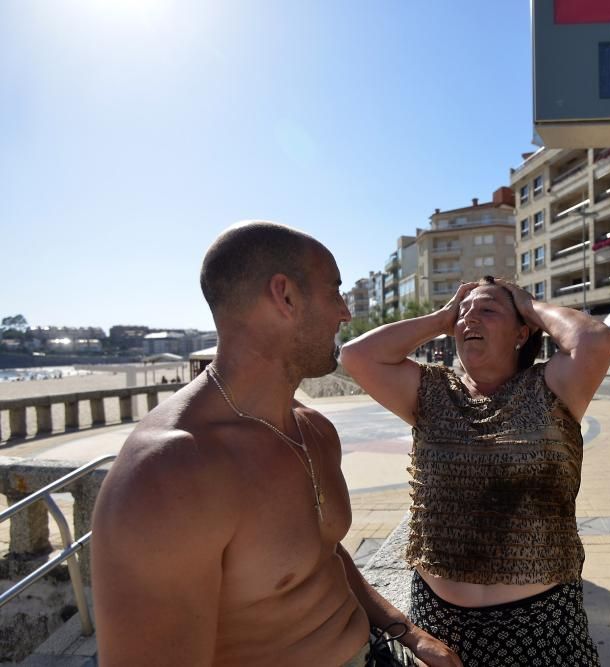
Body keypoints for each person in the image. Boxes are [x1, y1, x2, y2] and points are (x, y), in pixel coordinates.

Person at [91, 221, 461, 667]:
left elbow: (322, 555)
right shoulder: (169, 474)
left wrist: (409, 632)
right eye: (334, 292)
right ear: (284, 297)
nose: (345, 312)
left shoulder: (313, 430)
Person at [340, 276, 610, 666]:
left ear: (522, 331)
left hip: (541, 627)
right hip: (439, 628)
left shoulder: (551, 386)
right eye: (463, 312)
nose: (469, 318)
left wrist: (529, 304)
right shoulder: (431, 392)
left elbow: (595, 340)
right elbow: (356, 355)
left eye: (487, 310)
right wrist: (441, 317)